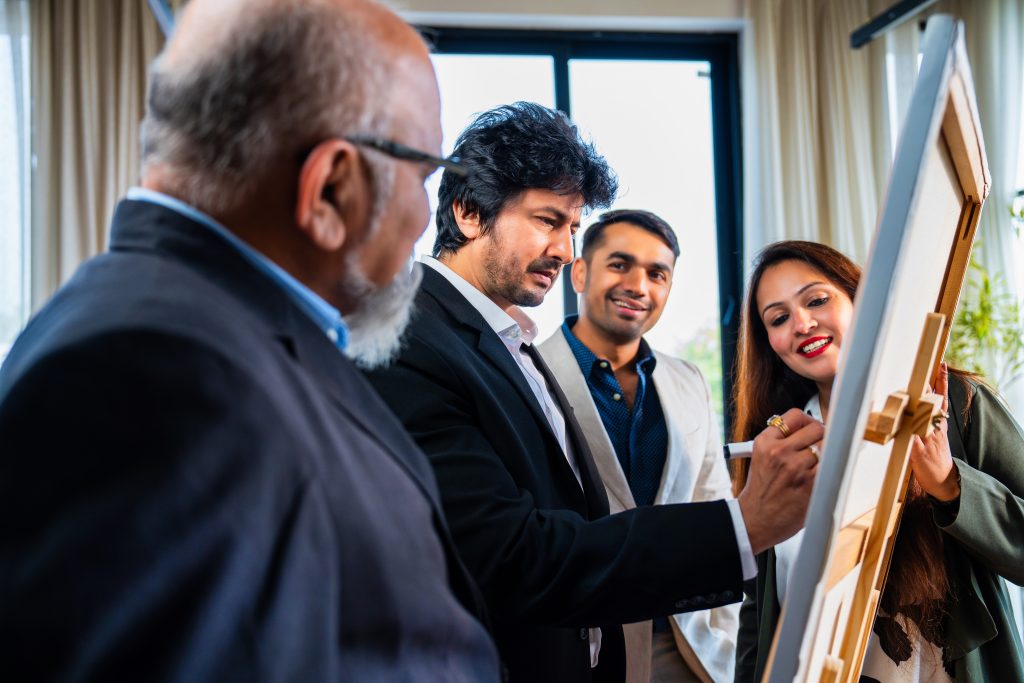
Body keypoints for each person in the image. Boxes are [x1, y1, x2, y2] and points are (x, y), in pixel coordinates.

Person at [0, 0, 500, 679]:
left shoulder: (215, 332)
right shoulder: (151, 375)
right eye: (422, 178)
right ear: (331, 186)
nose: (423, 220)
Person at [365, 101, 823, 683]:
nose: (563, 248)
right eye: (547, 221)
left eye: (572, 228)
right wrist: (747, 525)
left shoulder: (505, 340)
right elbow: (514, 560)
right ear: (470, 212)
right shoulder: (413, 340)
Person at [731, 240, 1024, 682]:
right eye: (778, 318)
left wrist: (948, 482)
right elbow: (760, 612)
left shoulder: (954, 405)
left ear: (858, 299)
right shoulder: (778, 444)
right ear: (769, 342)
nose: (802, 323)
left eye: (816, 300)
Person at [538, 209, 738, 683]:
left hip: (687, 645)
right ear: (581, 272)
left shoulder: (688, 381)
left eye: (657, 274)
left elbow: (713, 504)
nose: (639, 285)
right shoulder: (530, 375)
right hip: (581, 643)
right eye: (620, 264)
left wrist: (723, 630)